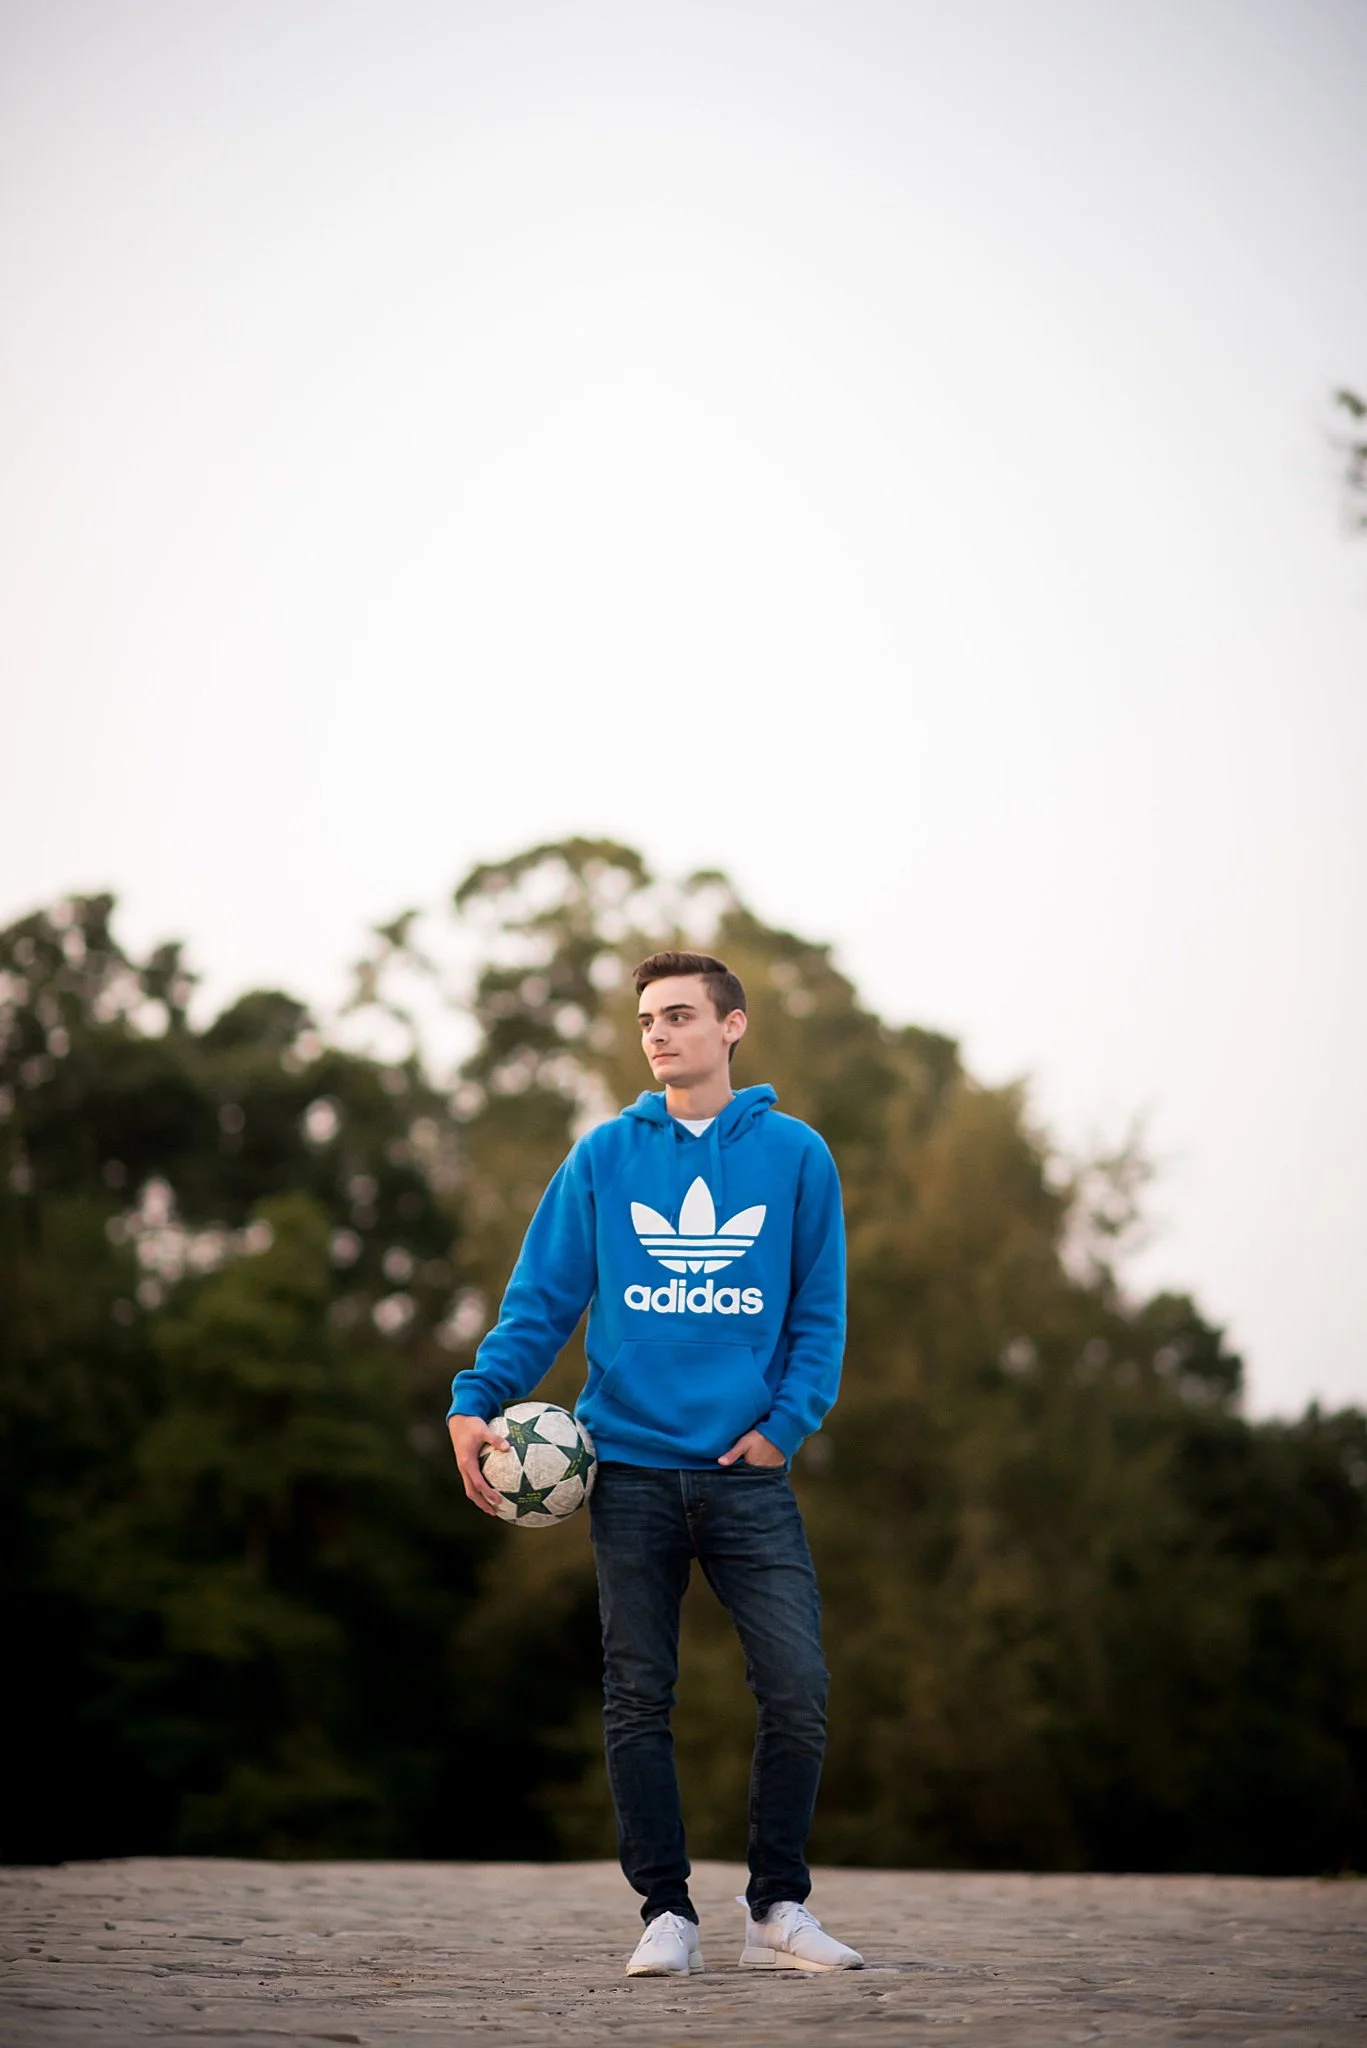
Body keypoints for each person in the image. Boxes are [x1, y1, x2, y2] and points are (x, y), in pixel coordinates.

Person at [447, 950, 862, 1978]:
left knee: (798, 1686)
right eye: (645, 1020)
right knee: (638, 1694)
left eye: (679, 1014)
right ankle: (664, 1912)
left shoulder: (796, 1155)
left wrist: (783, 1424)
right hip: (624, 1472)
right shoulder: (601, 1156)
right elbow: (540, 1299)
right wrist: (473, 1397)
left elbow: (819, 1314)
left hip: (746, 1474)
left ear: (732, 1026)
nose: (658, 1033)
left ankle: (777, 1904)